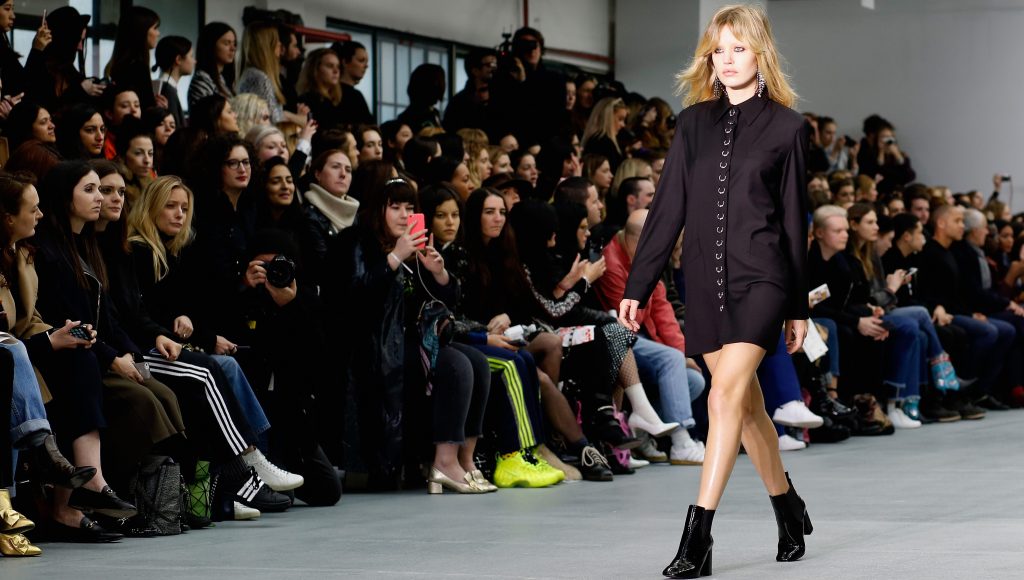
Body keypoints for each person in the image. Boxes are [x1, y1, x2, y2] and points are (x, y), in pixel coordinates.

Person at [617, 7, 812, 576]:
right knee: (748, 410)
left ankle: (697, 535)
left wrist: (797, 306)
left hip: (764, 280)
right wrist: (639, 281)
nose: (727, 61)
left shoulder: (788, 128)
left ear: (760, 54)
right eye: (718, 50)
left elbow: (795, 223)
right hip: (702, 281)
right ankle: (788, 506)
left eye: (739, 49)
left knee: (723, 396)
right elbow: (668, 208)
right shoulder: (693, 123)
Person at [104, 6, 164, 111]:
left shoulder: (118, 66)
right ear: (141, 31)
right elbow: (145, 112)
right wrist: (157, 109)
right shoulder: (138, 68)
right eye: (155, 28)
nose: (158, 33)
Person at [443, 48, 496, 133]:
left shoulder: (501, 96)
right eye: (490, 65)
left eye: (495, 64)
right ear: (475, 71)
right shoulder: (459, 102)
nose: (494, 69)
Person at [188, 22, 237, 107]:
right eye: (226, 43)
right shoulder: (202, 79)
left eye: (234, 44)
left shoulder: (222, 78)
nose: (233, 48)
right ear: (210, 45)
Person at [331, 40, 375, 127]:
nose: (366, 66)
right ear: (345, 62)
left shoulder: (356, 95)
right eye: (361, 60)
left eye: (366, 62)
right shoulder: (334, 93)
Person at [152, 35, 193, 127]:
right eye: (191, 56)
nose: (194, 61)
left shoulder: (164, 87)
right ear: (178, 59)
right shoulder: (168, 90)